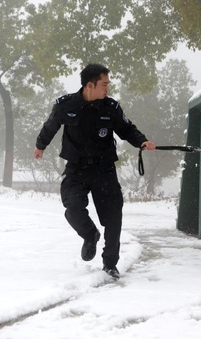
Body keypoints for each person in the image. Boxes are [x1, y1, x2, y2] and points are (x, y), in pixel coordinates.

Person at [34, 63, 156, 279]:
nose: (107, 88)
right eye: (104, 84)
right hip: (76, 169)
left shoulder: (111, 107)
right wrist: (40, 145)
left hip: (104, 169)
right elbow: (50, 126)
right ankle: (90, 234)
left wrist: (142, 141)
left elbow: (127, 128)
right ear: (90, 85)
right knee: (72, 208)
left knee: (113, 217)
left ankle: (110, 264)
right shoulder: (66, 105)